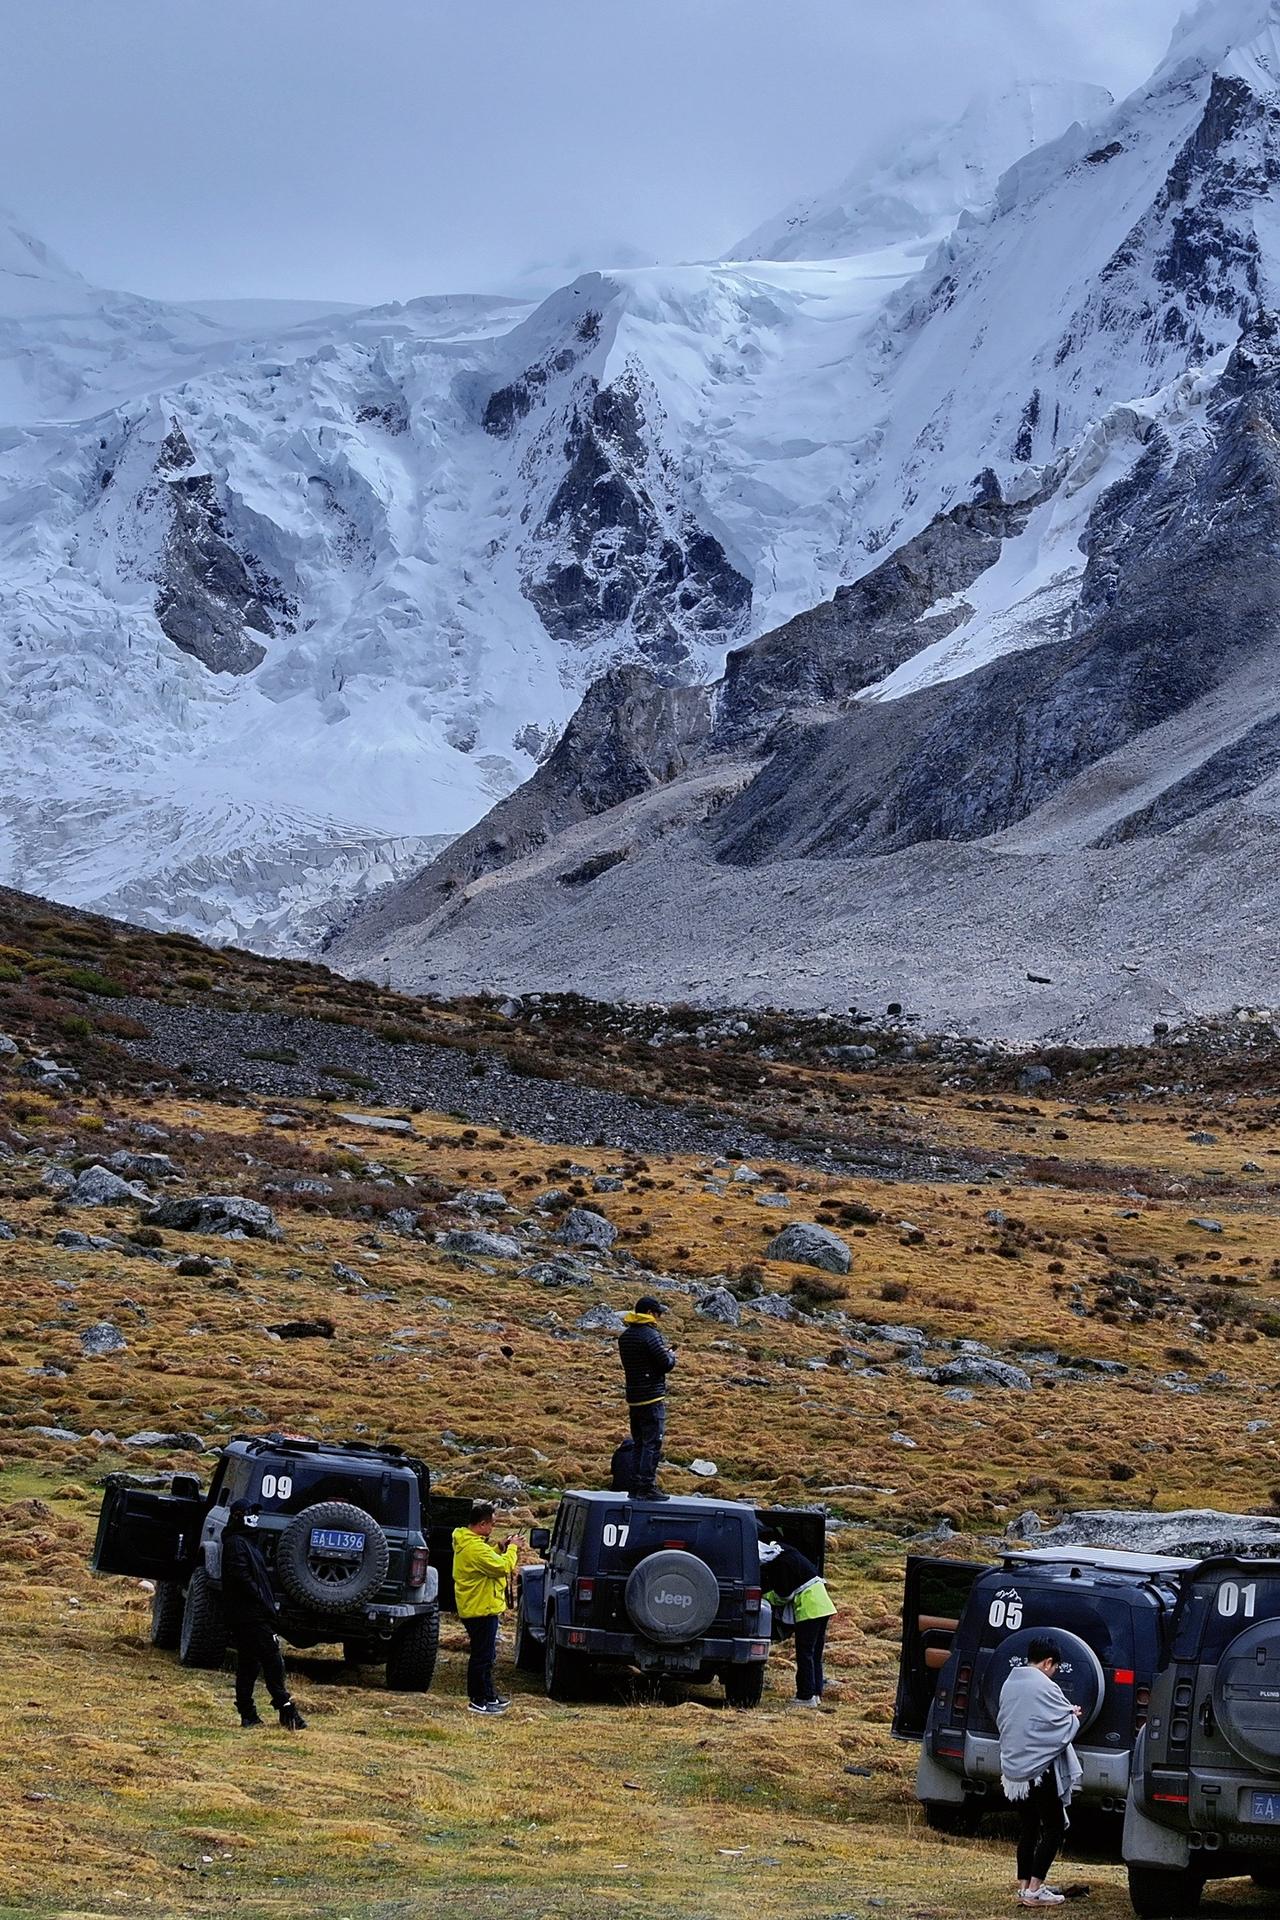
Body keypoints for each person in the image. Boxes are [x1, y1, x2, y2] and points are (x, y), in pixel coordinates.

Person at [997, 1636, 1084, 1907]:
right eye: (1055, 1667)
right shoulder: (1044, 1685)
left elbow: (1022, 1719)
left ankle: (1024, 1887)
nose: (1055, 1672)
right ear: (1048, 1662)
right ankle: (1036, 1890)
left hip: (1013, 1769)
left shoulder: (1010, 1682)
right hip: (1039, 1771)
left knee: (1029, 1827)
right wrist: (1073, 1716)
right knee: (1054, 1827)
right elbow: (1057, 1723)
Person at [220, 1500, 306, 1731]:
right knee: (271, 1659)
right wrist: (260, 1599)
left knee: (250, 1663)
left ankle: (249, 1714)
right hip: (249, 1615)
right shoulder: (236, 1544)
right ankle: (286, 1709)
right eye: (250, 1513)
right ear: (239, 1516)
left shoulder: (246, 1543)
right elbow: (240, 1577)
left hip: (251, 1613)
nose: (255, 1517)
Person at [451, 1501, 519, 1716]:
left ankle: (489, 1696)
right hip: (480, 1609)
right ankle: (477, 1700)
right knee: (482, 1656)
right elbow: (502, 1567)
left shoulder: (470, 1543)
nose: (493, 1528)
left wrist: (500, 1547)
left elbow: (488, 1557)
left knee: (486, 1655)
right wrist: (514, 1548)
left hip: (480, 1606)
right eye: (492, 1524)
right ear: (482, 1524)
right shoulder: (475, 1548)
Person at [757, 1526, 837, 1707]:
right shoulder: (789, 1553)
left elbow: (784, 1594)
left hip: (810, 1608)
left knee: (805, 1653)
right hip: (823, 1604)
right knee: (815, 1654)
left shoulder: (780, 1563)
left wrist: (764, 1596)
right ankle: (815, 1694)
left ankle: (805, 1696)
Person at [618, 1295, 676, 1500]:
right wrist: (671, 1356)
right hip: (651, 1397)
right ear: (650, 1313)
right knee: (652, 1443)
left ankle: (635, 1486)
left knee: (639, 1443)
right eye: (658, 1313)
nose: (659, 1317)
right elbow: (665, 1364)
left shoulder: (625, 1336)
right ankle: (647, 1487)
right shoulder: (650, 1335)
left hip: (634, 1397)